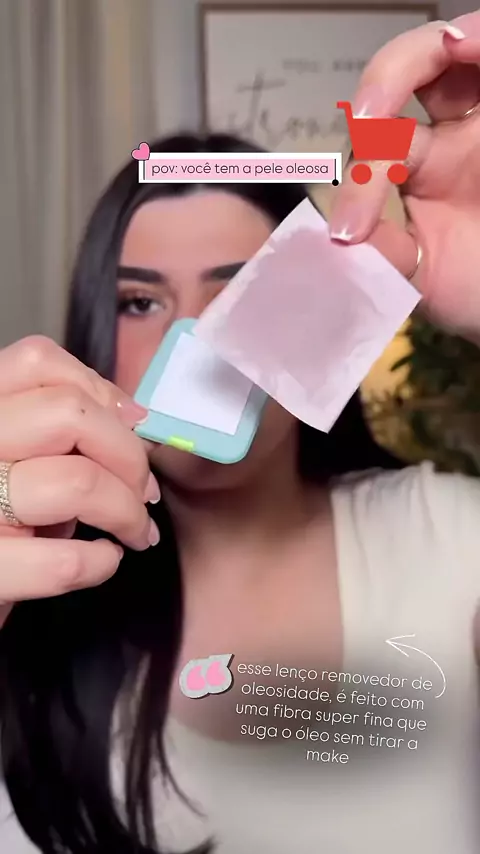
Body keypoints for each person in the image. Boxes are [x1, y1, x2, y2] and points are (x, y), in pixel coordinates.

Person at [1, 12, 480, 854]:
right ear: (94, 336)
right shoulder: (30, 598)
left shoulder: (450, 538)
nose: (195, 341)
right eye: (140, 302)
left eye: (239, 291)